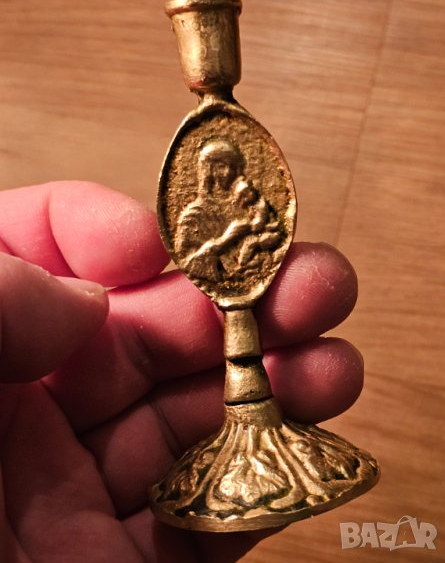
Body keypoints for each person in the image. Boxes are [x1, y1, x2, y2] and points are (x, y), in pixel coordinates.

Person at [0, 180, 363, 562]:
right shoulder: (196, 214)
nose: (224, 178)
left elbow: (265, 231)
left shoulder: (249, 203)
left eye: (229, 170)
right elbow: (200, 245)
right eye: (217, 171)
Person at [175, 139, 282, 282]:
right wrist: (226, 240)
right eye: (221, 166)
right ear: (207, 171)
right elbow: (187, 264)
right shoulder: (193, 216)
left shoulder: (244, 207)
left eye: (232, 167)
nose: (228, 172)